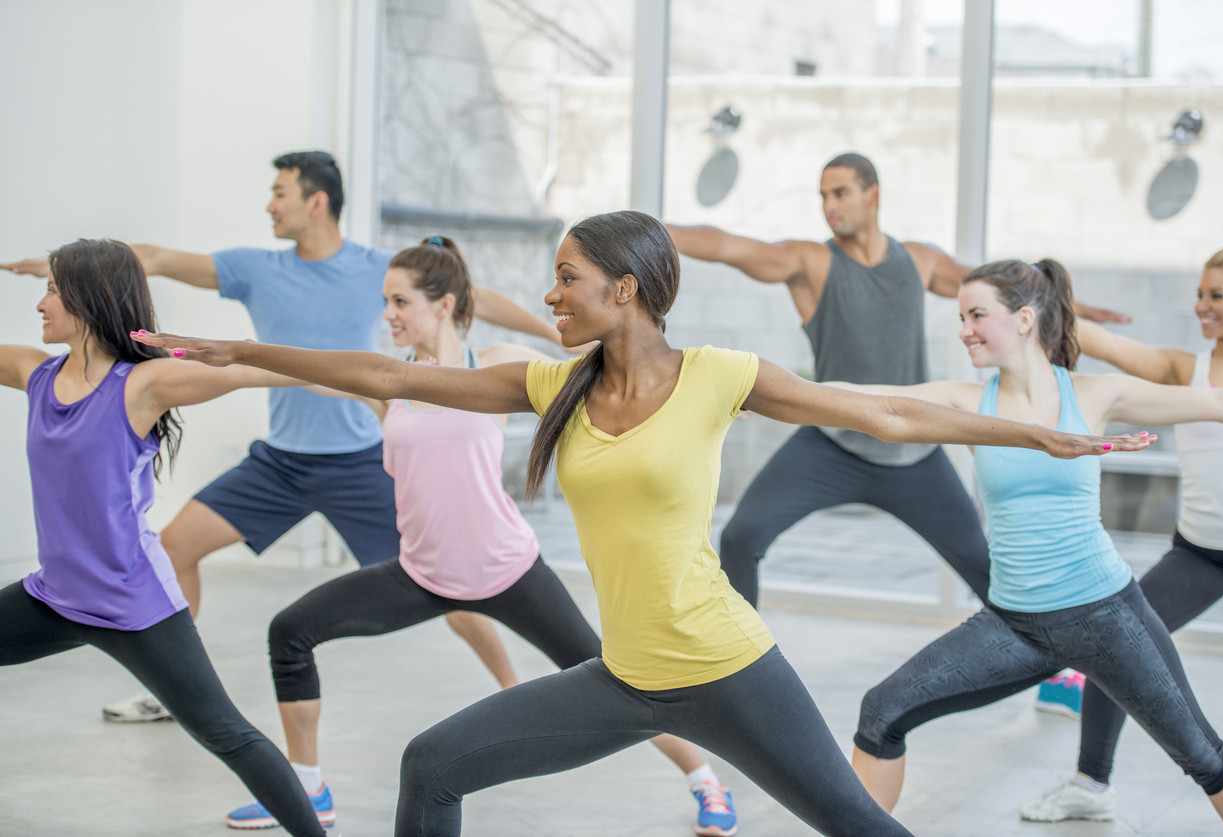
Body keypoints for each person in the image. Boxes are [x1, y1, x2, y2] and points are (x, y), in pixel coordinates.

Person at [134, 211, 1149, 837]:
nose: (547, 295)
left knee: (852, 820)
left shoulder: (720, 377)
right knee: (432, 766)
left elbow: (882, 412)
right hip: (629, 676)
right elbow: (397, 373)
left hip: (729, 669)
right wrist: (246, 355)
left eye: (567, 278)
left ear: (624, 290)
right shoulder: (555, 382)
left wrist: (1033, 438)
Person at [2, 150, 569, 723]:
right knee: (176, 547)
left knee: (447, 574)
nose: (269, 204)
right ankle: (175, 690)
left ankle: (505, 683)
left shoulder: (377, 267)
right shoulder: (257, 268)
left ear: (315, 202)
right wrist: (64, 275)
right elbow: (152, 258)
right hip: (281, 464)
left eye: (280, 193)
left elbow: (472, 295)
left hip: (359, 462)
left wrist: (551, 332)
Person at [223, 237, 739, 836]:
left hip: (508, 571)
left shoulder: (494, 362)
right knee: (290, 631)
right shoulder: (384, 381)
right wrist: (208, 356)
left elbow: (594, 364)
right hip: (422, 575)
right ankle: (307, 786)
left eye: (400, 301)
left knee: (621, 679)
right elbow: (288, 368)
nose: (387, 314)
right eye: (384, 301)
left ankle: (706, 780)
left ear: (444, 306)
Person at [836, 258, 1223, 835]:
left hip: (1108, 617)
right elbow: (872, 399)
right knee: (882, 714)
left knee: (1205, 758)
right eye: (960, 316)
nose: (964, 330)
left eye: (977, 314)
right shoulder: (965, 402)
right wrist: (756, 383)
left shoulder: (1095, 394)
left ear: (1026, 318)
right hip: (1013, 625)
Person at [667, 152, 1129, 609]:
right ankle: (739, 656)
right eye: (823, 195)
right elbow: (728, 246)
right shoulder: (812, 262)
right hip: (831, 445)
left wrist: (1077, 308)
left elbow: (1009, 294)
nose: (830, 205)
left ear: (873, 195)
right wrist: (651, 230)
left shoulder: (919, 262)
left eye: (841, 192)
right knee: (741, 537)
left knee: (987, 569)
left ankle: (1047, 648)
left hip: (915, 453)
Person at [0, 240, 326, 837]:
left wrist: (380, 383)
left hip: (135, 606)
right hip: (54, 597)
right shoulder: (35, 373)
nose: (41, 304)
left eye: (50, 289)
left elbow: (258, 369)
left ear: (85, 299)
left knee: (225, 733)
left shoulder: (143, 384)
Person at [1021, 244, 1223, 823]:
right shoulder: (1185, 368)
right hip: (1203, 554)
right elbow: (1104, 342)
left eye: (1216, 295)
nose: (1201, 305)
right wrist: (1038, 294)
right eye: (1199, 293)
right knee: (1114, 641)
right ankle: (1090, 784)